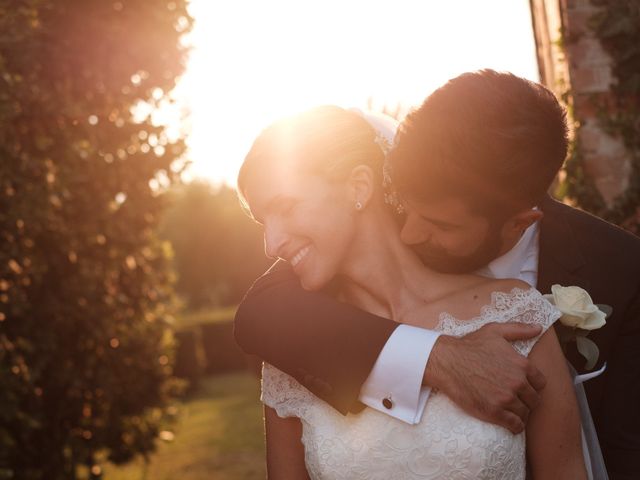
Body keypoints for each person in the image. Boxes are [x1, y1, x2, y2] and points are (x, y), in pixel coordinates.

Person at [235, 70, 640, 478]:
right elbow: (255, 314)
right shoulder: (296, 344)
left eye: (285, 207)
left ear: (359, 186)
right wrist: (436, 356)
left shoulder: (527, 310)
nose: (271, 244)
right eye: (261, 221)